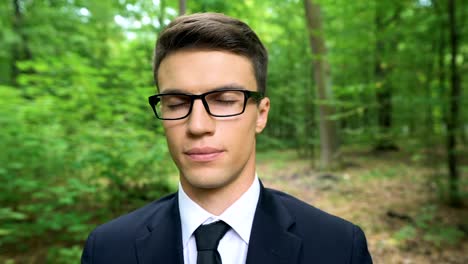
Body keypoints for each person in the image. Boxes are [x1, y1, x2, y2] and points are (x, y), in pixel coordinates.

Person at [81, 12, 373, 264]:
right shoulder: (108, 249)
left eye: (224, 100)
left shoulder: (338, 247)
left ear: (261, 114)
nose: (198, 125)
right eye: (177, 102)